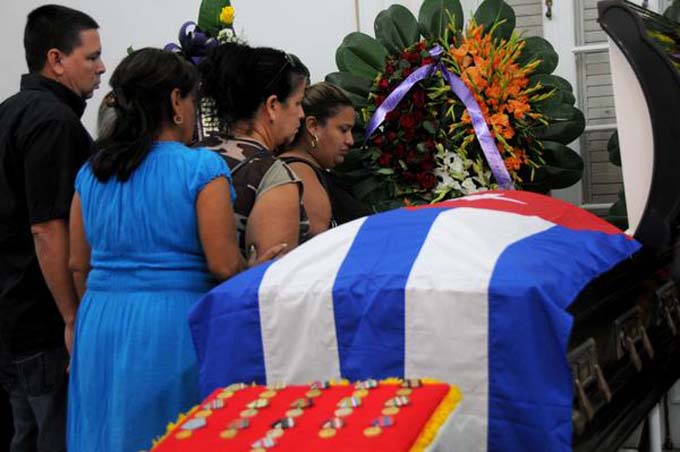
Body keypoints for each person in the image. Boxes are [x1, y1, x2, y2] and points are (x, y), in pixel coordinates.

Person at [67, 48, 263, 451]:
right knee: (168, 435)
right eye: (193, 100)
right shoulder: (201, 169)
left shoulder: (91, 173)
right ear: (176, 101)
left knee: (106, 432)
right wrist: (258, 267)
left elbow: (76, 263)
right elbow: (224, 264)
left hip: (100, 320)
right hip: (170, 324)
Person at [0, 6, 104, 452]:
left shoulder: (10, 111)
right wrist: (71, 315)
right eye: (92, 57)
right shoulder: (53, 122)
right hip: (44, 320)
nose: (102, 68)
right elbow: (47, 227)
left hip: (12, 314)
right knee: (58, 437)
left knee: (25, 435)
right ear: (57, 59)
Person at [197, 43, 310, 257]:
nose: (302, 114)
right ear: (273, 106)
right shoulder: (273, 177)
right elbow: (268, 278)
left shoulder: (191, 155)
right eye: (298, 103)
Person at [279, 82, 371, 234]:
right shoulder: (300, 173)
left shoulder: (304, 172)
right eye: (343, 130)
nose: (350, 141)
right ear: (313, 126)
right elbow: (319, 248)